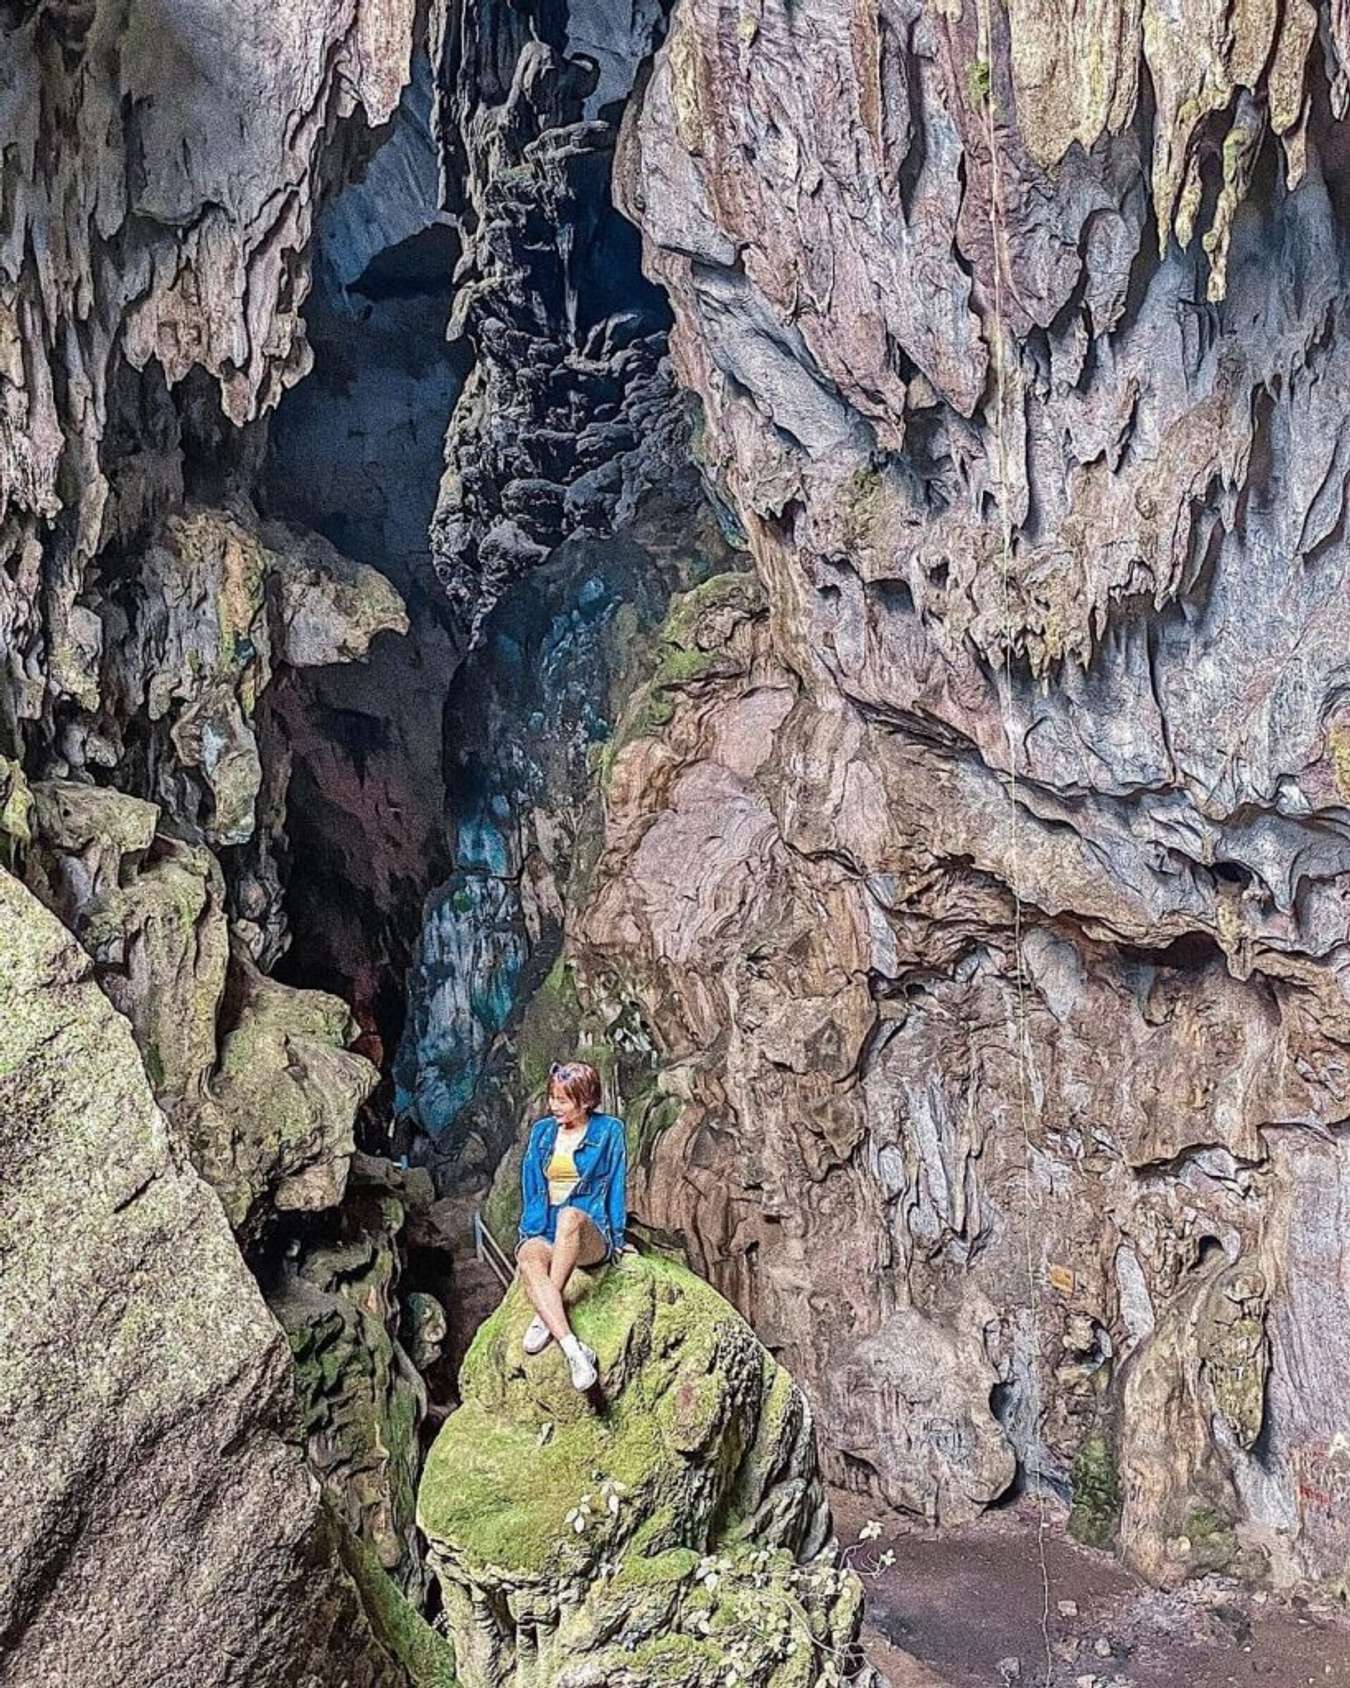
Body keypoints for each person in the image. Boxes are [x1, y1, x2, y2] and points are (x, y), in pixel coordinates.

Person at [515, 1058, 628, 1390]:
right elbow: (532, 1187)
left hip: (588, 1229)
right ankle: (574, 1350)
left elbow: (617, 1183)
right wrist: (529, 1235)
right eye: (552, 1098)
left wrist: (618, 1238)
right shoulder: (541, 1134)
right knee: (527, 1256)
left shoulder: (609, 1131)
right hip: (546, 1227)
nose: (554, 1106)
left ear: (586, 1100)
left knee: (570, 1216)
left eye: (563, 1100)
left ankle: (545, 1305)